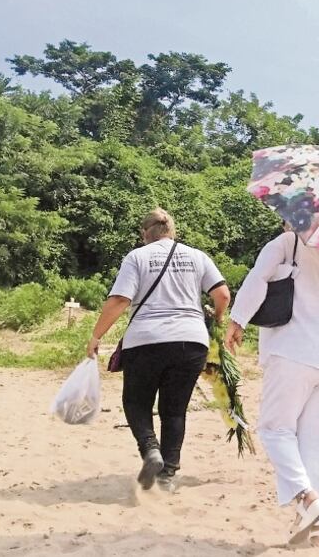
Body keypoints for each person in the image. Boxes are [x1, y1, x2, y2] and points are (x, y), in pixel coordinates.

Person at [225, 228, 319, 548]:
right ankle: (317, 527)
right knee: (318, 442)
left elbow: (258, 279)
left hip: (293, 352)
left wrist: (237, 321)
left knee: (275, 429)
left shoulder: (287, 243)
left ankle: (307, 498)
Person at [86, 208, 230, 492]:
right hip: (192, 341)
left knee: (136, 402)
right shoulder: (197, 256)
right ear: (172, 232)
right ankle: (168, 473)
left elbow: (119, 300)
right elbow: (222, 294)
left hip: (146, 341)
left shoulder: (137, 257)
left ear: (144, 235)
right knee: (174, 410)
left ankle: (150, 449)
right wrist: (218, 317)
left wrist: (96, 336)